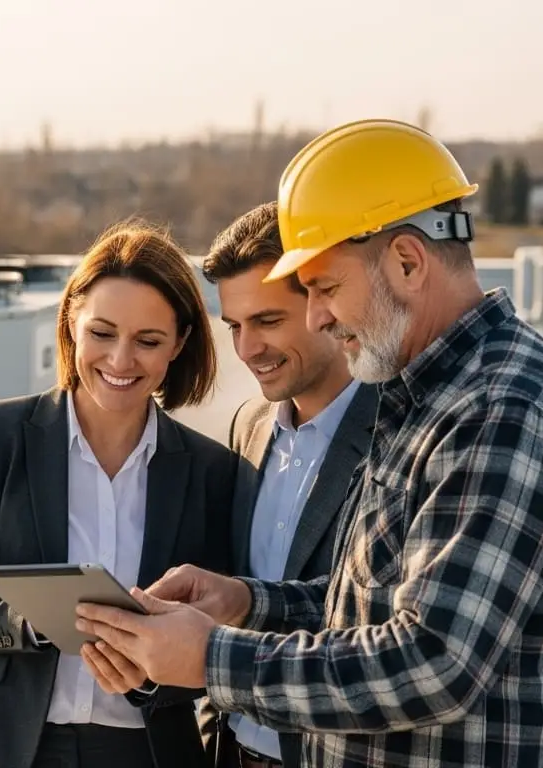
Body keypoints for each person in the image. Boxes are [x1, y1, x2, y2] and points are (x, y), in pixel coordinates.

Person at [75, 119, 543, 768]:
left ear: (409, 261)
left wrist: (208, 656)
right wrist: (246, 602)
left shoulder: (505, 412)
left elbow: (431, 662)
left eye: (326, 288)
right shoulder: (421, 394)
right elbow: (375, 604)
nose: (317, 318)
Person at [0, 219, 238, 768]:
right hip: (5, 742)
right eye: (102, 332)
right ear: (71, 322)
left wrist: (148, 677)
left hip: (145, 747)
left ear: (179, 343)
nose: (119, 360)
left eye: (148, 341)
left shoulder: (212, 470)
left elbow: (217, 636)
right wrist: (36, 622)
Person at [196, 200, 379, 768]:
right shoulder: (247, 426)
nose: (248, 349)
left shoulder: (401, 432)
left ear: (326, 303)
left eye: (268, 321)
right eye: (235, 327)